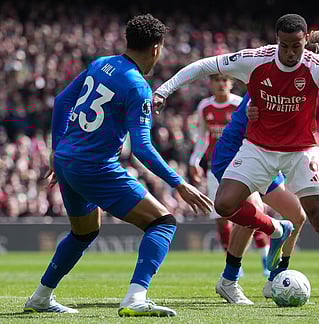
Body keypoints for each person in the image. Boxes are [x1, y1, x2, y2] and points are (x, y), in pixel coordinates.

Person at [154, 14, 319, 306]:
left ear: (305, 41)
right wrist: (163, 90)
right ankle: (269, 237)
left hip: (300, 150)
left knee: (315, 215)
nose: (290, 53)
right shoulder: (256, 60)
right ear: (276, 41)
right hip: (256, 149)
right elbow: (205, 65)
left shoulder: (317, 66)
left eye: (296, 46)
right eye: (284, 46)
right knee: (226, 205)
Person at [23, 14, 213, 317]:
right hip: (93, 167)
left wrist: (56, 150)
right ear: (156, 49)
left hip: (67, 161)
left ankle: (41, 297)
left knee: (84, 233)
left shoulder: (101, 63)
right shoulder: (138, 86)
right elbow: (142, 148)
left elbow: (61, 101)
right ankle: (136, 297)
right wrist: (179, 184)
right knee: (162, 223)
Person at [212, 92, 306, 304]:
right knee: (253, 210)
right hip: (234, 155)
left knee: (297, 215)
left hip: (265, 157)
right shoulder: (267, 81)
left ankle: (274, 280)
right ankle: (229, 281)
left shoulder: (298, 89)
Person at [189, 75, 271, 275]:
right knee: (220, 217)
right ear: (211, 83)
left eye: (224, 80)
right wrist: (194, 160)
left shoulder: (239, 103)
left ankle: (265, 261)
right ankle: (233, 265)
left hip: (241, 167)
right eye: (216, 80)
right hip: (215, 167)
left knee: (254, 212)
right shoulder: (204, 107)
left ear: (231, 83)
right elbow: (202, 136)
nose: (221, 84)